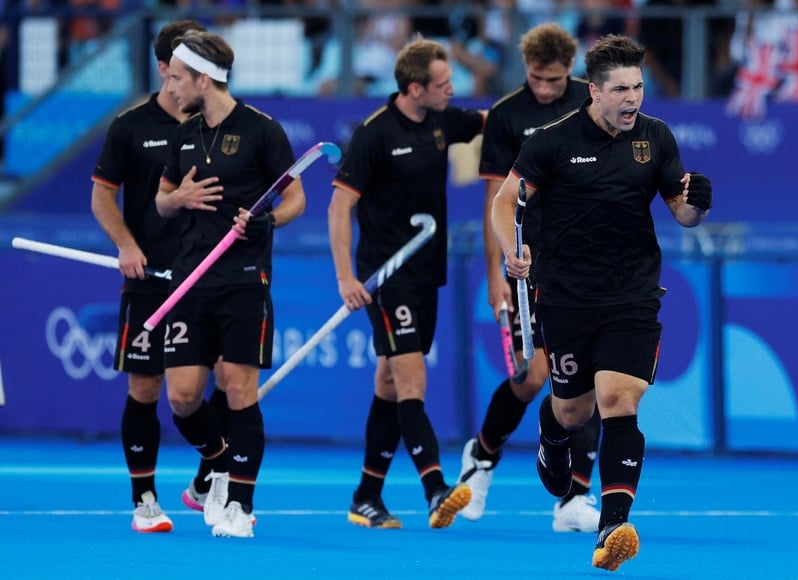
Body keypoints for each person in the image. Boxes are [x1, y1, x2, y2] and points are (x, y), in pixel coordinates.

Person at [490, 34, 713, 571]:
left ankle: (613, 525)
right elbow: (504, 203)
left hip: (633, 293)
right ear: (595, 90)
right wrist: (511, 248)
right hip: (565, 297)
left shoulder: (655, 138)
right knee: (573, 409)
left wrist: (696, 206)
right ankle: (550, 434)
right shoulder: (551, 140)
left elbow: (681, 211)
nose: (632, 98)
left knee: (619, 399)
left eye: (638, 86)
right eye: (621, 89)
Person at [328, 35, 485, 530]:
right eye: (442, 84)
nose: (451, 90)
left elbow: (494, 121)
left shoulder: (441, 120)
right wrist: (346, 277)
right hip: (385, 277)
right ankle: (436, 488)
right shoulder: (373, 134)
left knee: (390, 384)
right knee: (412, 380)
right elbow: (339, 208)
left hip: (426, 273)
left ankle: (366, 497)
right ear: (415, 88)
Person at [155, 29, 306, 538]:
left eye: (176, 77)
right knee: (181, 398)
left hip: (244, 279)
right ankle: (219, 462)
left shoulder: (264, 131)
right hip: (189, 279)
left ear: (203, 77)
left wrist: (267, 222)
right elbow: (160, 200)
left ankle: (240, 505)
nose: (170, 87)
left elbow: (295, 200)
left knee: (239, 388)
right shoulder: (182, 132)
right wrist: (180, 199)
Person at [90, 18, 236, 534]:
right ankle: (145, 500)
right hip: (151, 280)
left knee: (222, 380)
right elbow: (101, 196)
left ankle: (209, 476)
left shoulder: (225, 127)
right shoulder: (130, 127)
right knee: (147, 388)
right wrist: (127, 244)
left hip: (212, 280)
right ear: (165, 69)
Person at [459, 22, 601, 533]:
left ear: (572, 72)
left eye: (555, 80)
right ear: (527, 71)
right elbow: (494, 197)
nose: (545, 89)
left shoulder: (595, 100)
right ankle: (481, 456)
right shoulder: (505, 115)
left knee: (589, 379)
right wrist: (495, 270)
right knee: (532, 378)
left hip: (588, 263)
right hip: (528, 266)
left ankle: (574, 499)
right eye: (537, 79)